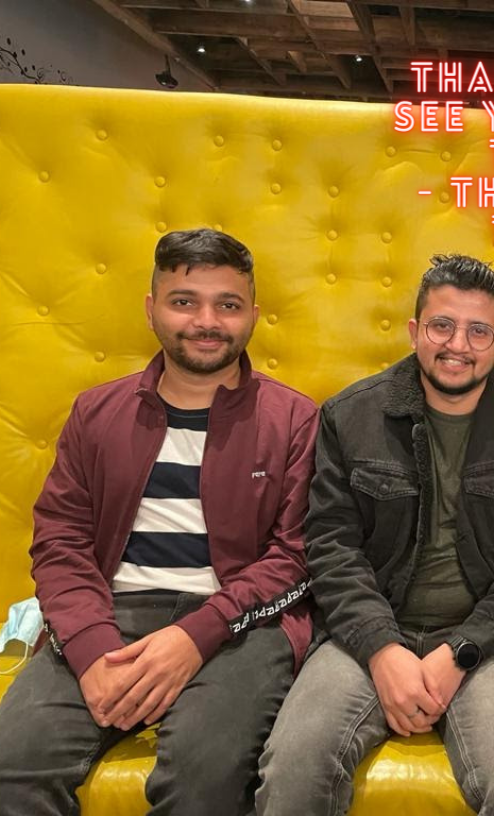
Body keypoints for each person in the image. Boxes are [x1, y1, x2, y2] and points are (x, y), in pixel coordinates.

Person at [0, 228, 317, 815]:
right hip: (109, 613)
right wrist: (92, 652)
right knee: (10, 765)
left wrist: (195, 637)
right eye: (184, 301)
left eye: (228, 304)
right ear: (151, 310)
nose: (206, 321)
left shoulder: (294, 419)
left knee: (204, 775)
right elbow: (61, 540)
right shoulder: (97, 412)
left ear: (252, 316)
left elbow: (296, 556)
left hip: (239, 627)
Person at [257, 254, 494, 816]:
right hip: (367, 634)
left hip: (490, 642)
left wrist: (461, 652)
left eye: (479, 331)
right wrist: (382, 650)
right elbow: (331, 547)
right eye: (441, 325)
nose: (458, 345)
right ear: (414, 330)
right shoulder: (350, 416)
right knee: (293, 769)